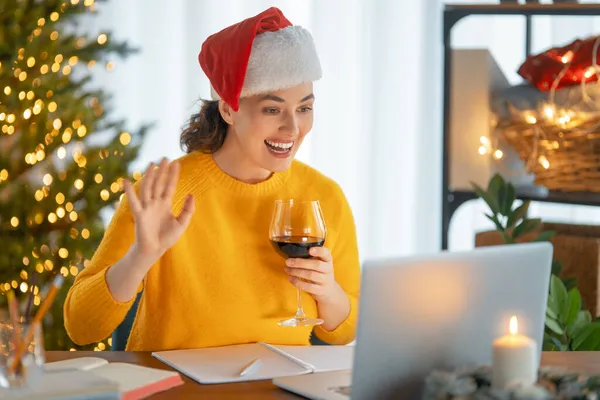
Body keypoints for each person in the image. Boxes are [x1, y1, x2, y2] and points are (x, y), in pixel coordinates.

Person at [63, 6, 360, 351]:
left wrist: (329, 294)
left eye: (304, 108)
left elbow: (342, 333)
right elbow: (81, 327)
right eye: (272, 109)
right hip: (177, 388)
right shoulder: (165, 192)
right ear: (229, 109)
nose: (293, 128)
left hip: (278, 387)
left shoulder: (323, 196)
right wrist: (141, 255)